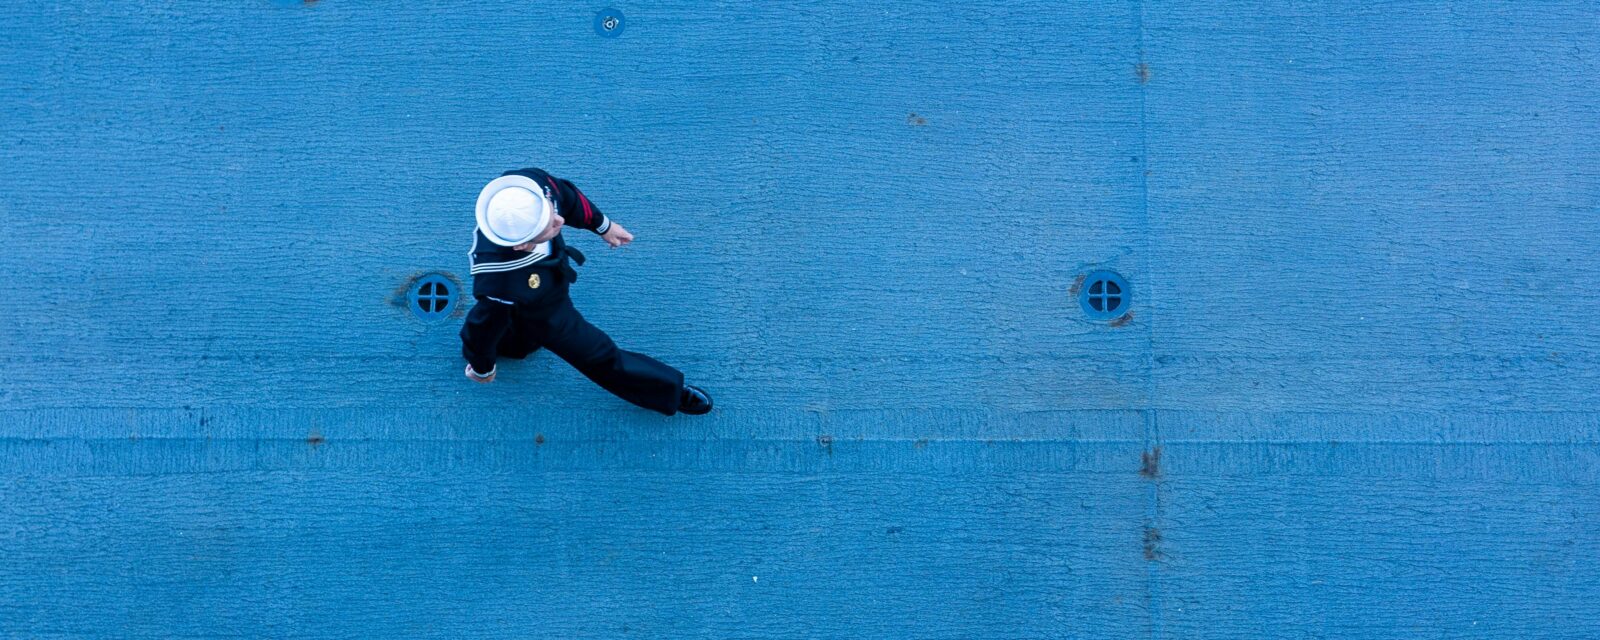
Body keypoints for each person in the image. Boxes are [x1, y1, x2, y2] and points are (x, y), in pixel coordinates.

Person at [459, 168, 713, 416]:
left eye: (550, 213)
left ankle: (514, 345)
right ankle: (669, 390)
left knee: (514, 337)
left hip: (538, 284)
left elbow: (567, 196)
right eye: (549, 227)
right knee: (598, 355)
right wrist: (482, 367)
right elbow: (482, 326)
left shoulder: (529, 188)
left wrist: (604, 226)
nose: (559, 221)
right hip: (544, 312)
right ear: (522, 245)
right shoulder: (500, 283)